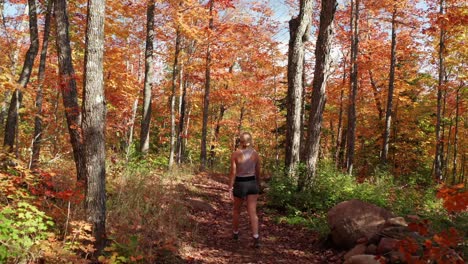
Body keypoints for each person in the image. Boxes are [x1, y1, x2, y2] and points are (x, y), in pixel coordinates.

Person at [228, 132, 261, 248]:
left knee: (237, 210)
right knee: (252, 212)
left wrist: (230, 188)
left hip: (240, 183)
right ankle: (256, 237)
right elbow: (258, 172)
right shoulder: (255, 154)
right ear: (250, 141)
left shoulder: (236, 154)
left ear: (240, 141)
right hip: (252, 183)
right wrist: (258, 184)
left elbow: (233, 172)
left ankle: (235, 233)